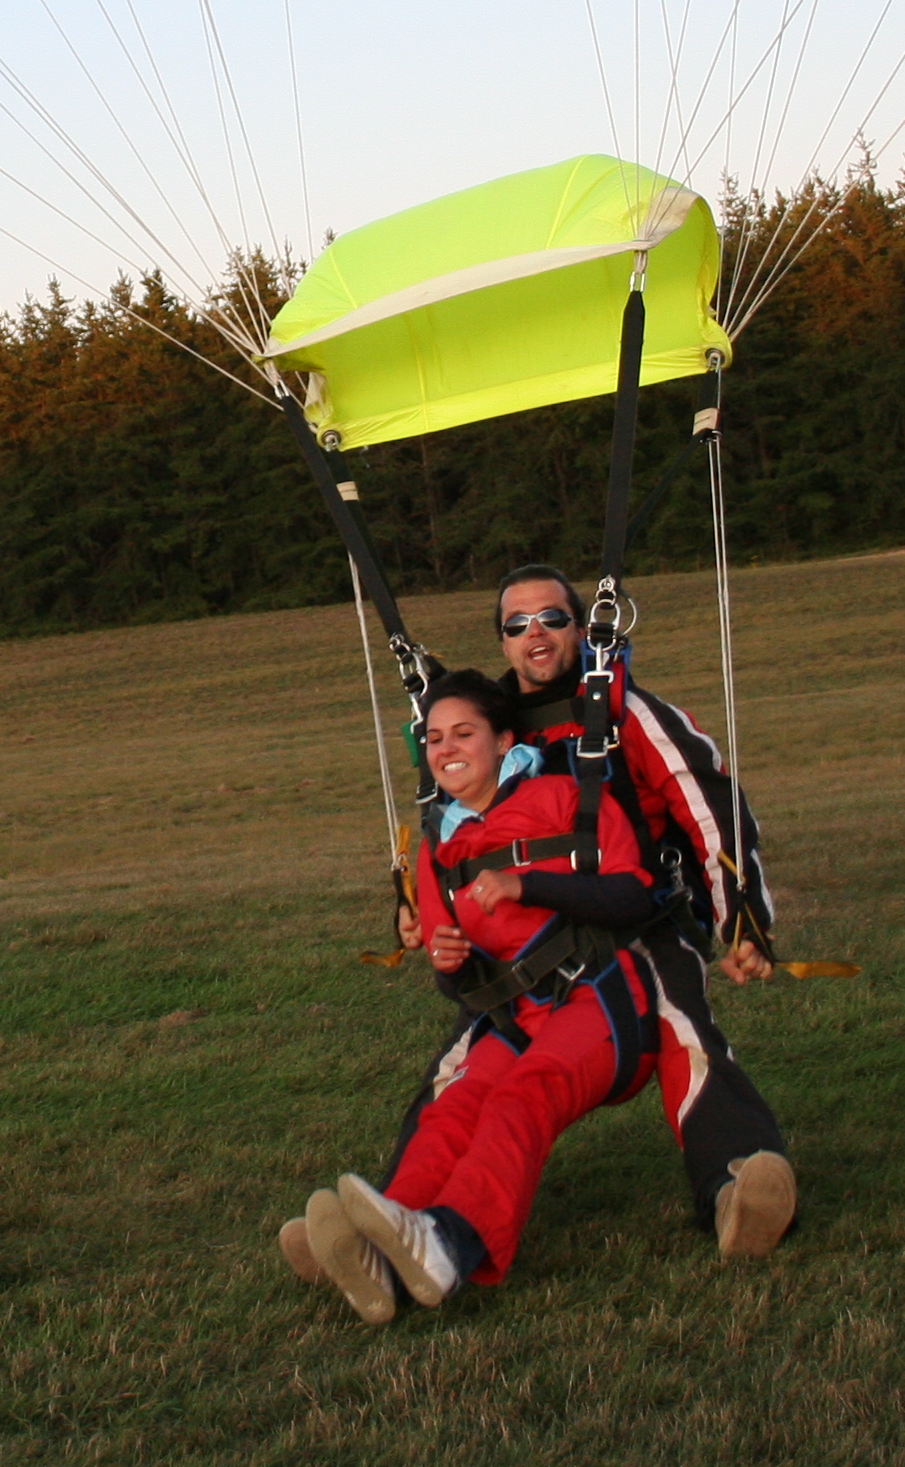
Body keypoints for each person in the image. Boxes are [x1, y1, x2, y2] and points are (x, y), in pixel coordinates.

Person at [280, 670, 664, 1323]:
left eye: (463, 733)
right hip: (513, 1017)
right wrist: (450, 964)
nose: (446, 748)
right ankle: (384, 1252)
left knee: (523, 1094)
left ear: (503, 740)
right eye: (432, 738)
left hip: (600, 1004)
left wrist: (528, 886)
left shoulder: (567, 796)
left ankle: (447, 1244)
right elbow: (450, 971)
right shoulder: (439, 847)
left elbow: (634, 894)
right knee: (453, 1110)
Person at [486, 561, 796, 1252]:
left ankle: (737, 1187)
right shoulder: (488, 735)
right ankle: (404, 1213)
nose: (536, 633)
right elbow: (452, 838)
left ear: (583, 627)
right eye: (517, 624)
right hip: (533, 940)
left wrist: (740, 918)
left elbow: (708, 804)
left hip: (640, 923)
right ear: (503, 644)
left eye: (553, 618)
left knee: (684, 1027)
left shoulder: (630, 713)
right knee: (474, 1057)